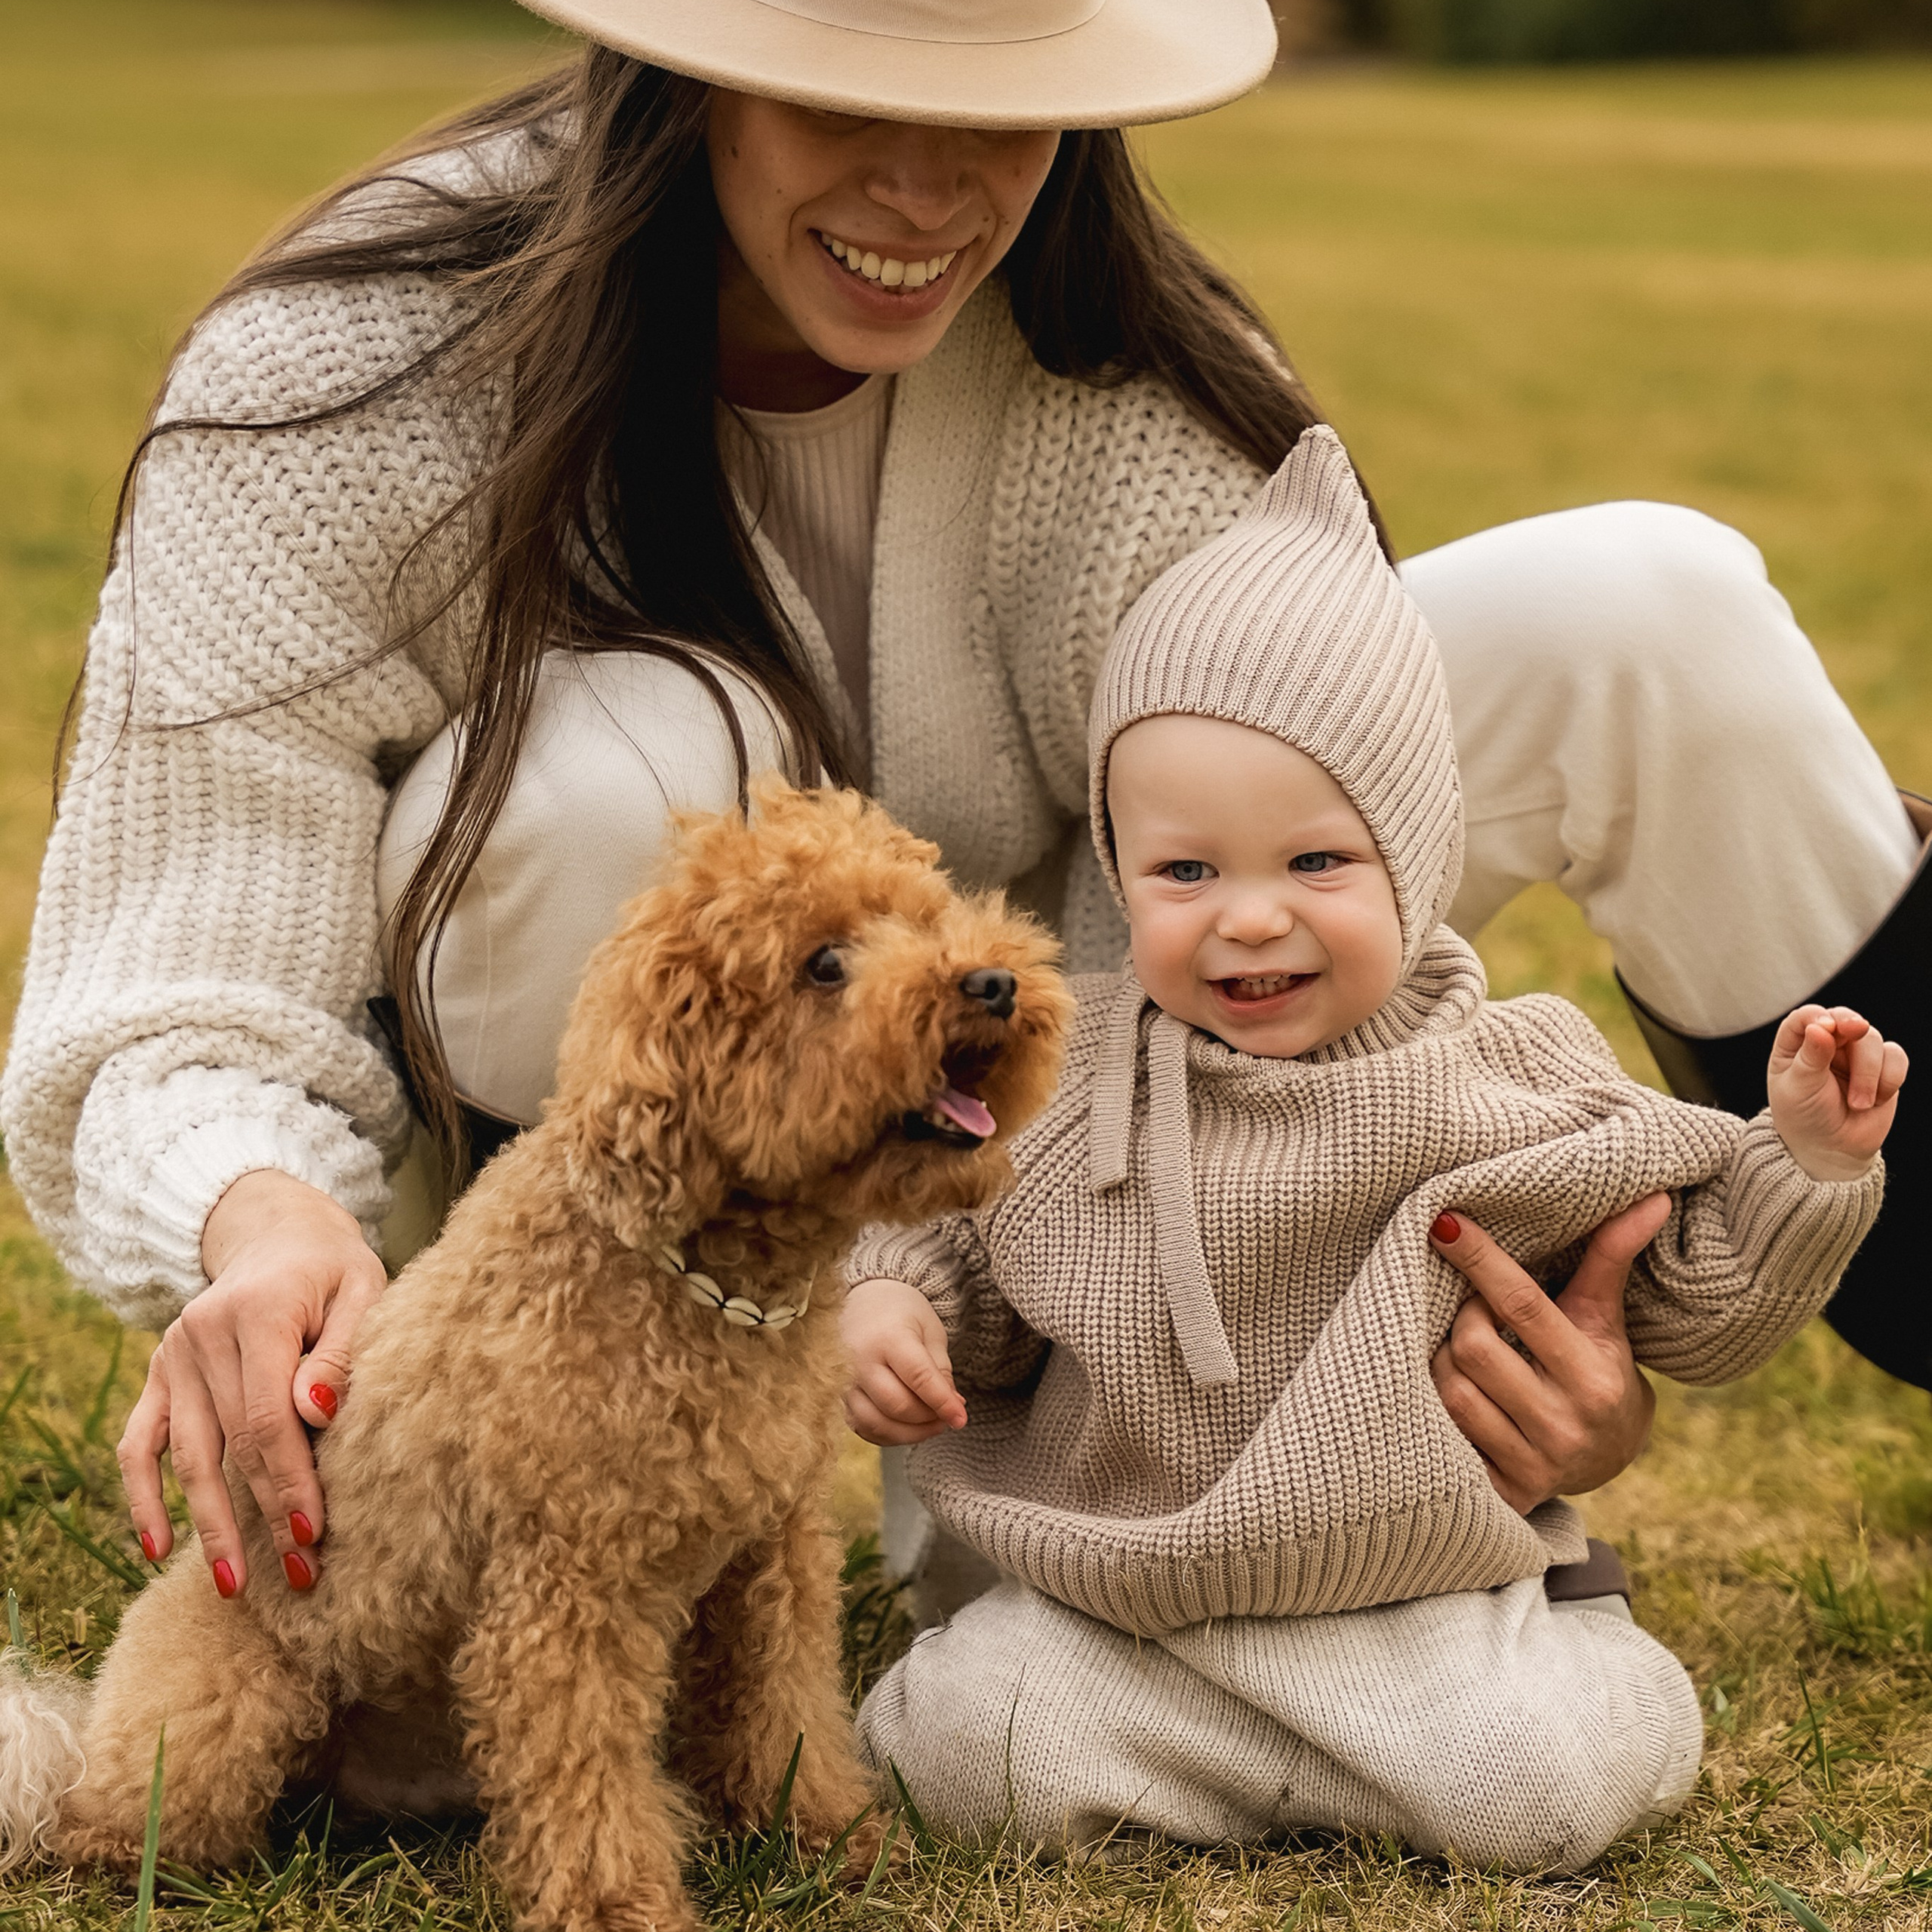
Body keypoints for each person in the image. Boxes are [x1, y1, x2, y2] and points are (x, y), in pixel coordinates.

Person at [0, 0, 1920, 1628]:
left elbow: (1273, 914)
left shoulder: (1141, 375)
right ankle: (575, 1510)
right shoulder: (352, 367)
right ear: (681, 73)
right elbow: (174, 963)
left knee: (1643, 603)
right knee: (655, 752)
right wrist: (256, 1222)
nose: (930, 193)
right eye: (849, 86)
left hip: (1032, 1183)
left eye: (997, 104)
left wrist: (1513, 1324)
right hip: (543, 1215)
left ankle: (1073, 1438)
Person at [841, 428, 1903, 1870]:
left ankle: (1519, 1692)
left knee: (1539, 1782)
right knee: (951, 1747)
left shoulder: (1508, 1072)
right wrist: (891, 1305)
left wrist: (1806, 1164)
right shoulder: (1073, 1069)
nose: (1251, 916)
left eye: (1316, 863)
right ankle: (1250, 1766)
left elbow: (1693, 1302)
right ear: (1119, 870)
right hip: (1129, 1614)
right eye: (1186, 871)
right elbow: (954, 1235)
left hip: (1420, 1608)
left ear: (1416, 847)